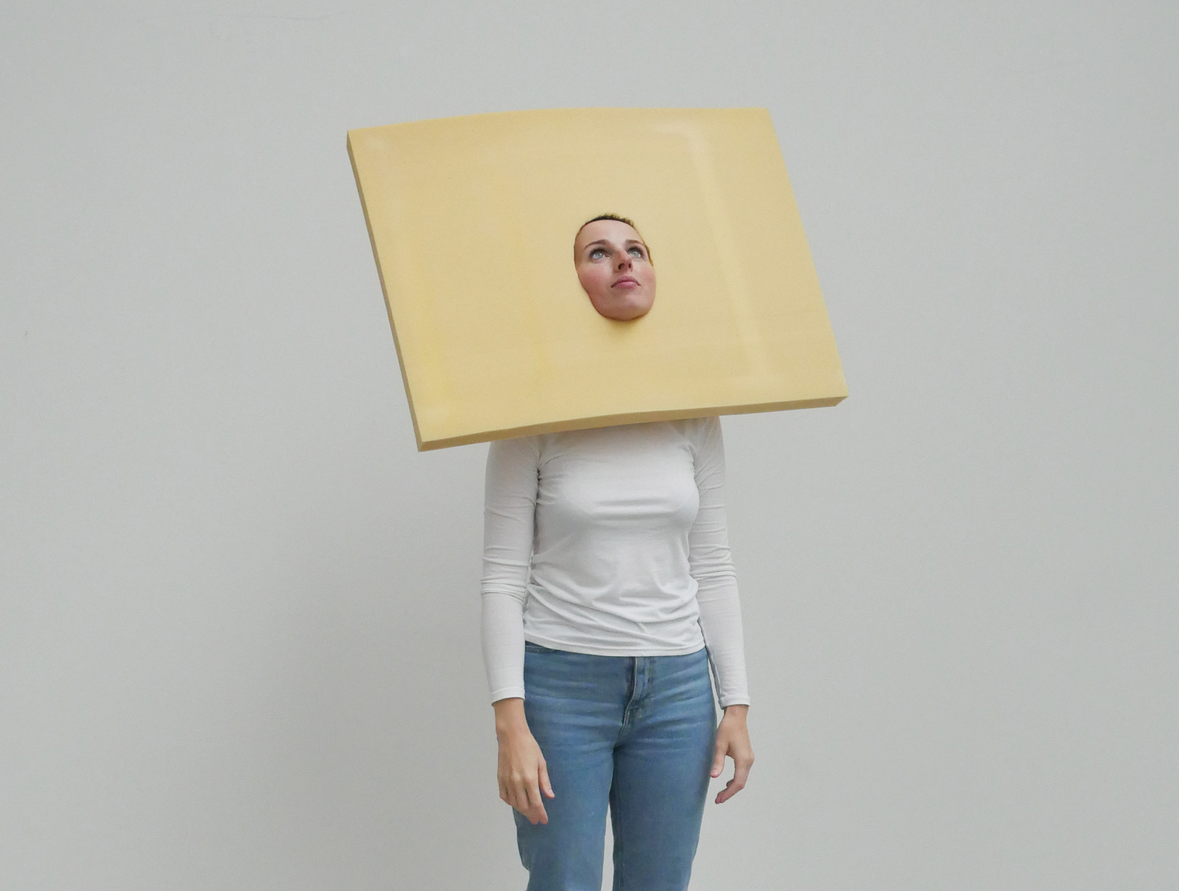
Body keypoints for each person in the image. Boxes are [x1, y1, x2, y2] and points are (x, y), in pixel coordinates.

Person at [481, 215, 753, 891]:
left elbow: (713, 564)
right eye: (598, 252)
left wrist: (736, 704)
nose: (623, 261)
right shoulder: (529, 415)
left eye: (636, 250)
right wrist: (510, 722)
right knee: (563, 880)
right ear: (569, 282)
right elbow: (502, 579)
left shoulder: (693, 412)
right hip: (561, 687)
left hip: (678, 691)